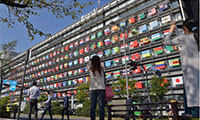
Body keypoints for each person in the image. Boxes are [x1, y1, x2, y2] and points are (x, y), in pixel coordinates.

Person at [164, 19, 199, 118]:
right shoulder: (196, 37)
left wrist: (171, 29)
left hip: (190, 72)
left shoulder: (184, 38)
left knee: (192, 102)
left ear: (184, 28)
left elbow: (166, 41)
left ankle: (192, 114)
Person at [87, 55, 106, 120]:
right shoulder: (102, 68)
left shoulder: (90, 68)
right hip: (102, 88)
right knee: (101, 106)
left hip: (93, 88)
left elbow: (88, 64)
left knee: (93, 106)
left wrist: (90, 60)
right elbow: (103, 65)